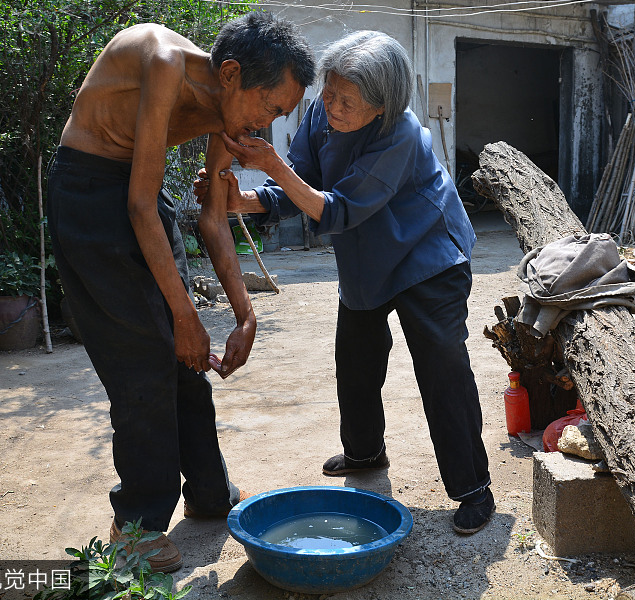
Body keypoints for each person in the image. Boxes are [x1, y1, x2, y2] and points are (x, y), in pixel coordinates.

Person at [46, 13, 315, 572]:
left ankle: (209, 491)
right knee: (143, 361)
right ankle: (137, 525)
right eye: (269, 106)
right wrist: (185, 313)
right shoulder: (163, 61)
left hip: (139, 193)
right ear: (232, 74)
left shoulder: (232, 112)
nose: (266, 125)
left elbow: (214, 219)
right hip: (90, 193)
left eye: (279, 115)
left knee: (184, 362)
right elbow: (138, 204)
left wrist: (245, 316)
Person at [197, 30, 494, 534]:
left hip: (427, 255)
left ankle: (472, 488)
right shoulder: (320, 114)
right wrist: (242, 201)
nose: (331, 106)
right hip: (367, 254)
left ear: (382, 107)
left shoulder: (402, 135)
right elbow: (301, 182)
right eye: (329, 92)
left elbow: (335, 208)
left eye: (347, 102)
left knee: (441, 367)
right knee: (355, 359)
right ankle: (365, 453)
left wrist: (269, 163)